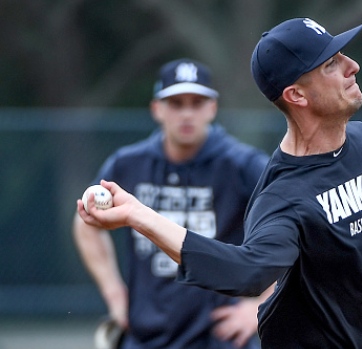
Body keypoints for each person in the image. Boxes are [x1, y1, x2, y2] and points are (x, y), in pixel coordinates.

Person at [77, 19, 362, 348]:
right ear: (297, 95)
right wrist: (138, 215)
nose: (351, 66)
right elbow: (247, 271)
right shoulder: (284, 196)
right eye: (331, 63)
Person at [73, 58, 272, 349]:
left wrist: (260, 306)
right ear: (157, 109)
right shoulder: (128, 165)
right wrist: (115, 293)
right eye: (176, 103)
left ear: (212, 108)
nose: (187, 113)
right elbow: (85, 224)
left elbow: (296, 235)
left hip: (219, 338)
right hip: (146, 336)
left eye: (197, 102)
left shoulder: (244, 166)